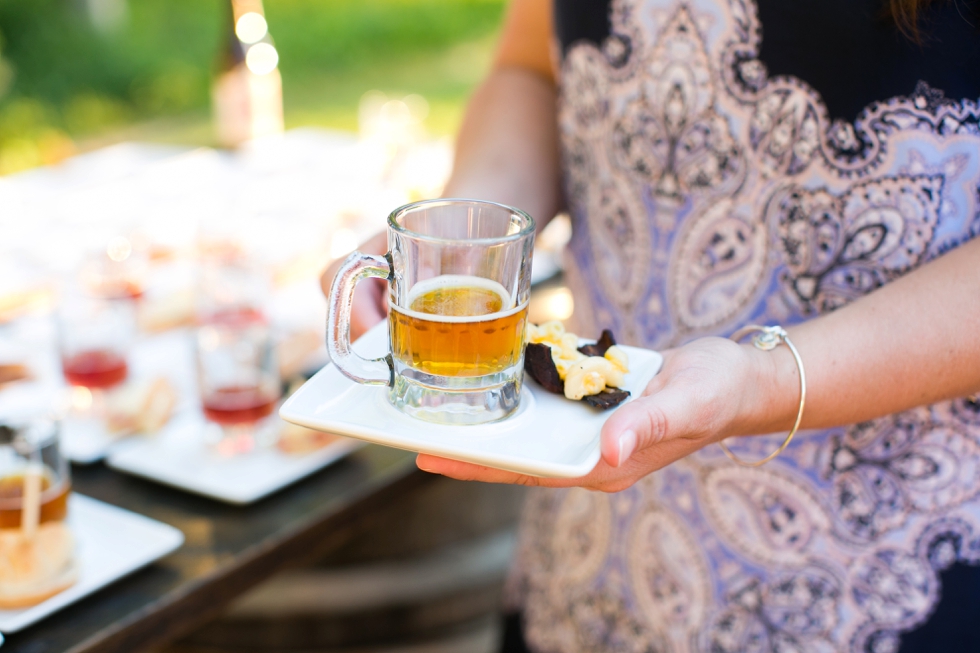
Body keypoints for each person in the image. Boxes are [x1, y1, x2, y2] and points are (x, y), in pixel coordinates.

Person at [323, 0, 980, 650]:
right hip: (590, 552)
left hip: (875, 572)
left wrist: (766, 380)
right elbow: (531, 67)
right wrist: (470, 244)